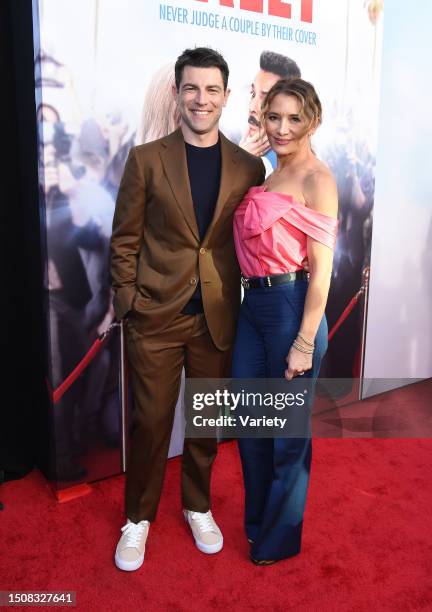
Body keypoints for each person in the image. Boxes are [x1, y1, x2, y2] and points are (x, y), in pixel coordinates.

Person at [110, 47, 265, 571]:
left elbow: (249, 240)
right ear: (178, 94)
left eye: (212, 89)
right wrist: (129, 303)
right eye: (192, 88)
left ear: (225, 95)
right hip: (155, 318)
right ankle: (138, 519)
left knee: (205, 424)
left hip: (217, 319)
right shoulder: (146, 159)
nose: (202, 99)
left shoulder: (250, 167)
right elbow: (124, 241)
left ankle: (198, 504)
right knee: (151, 424)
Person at [232, 78, 338, 564]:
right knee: (251, 425)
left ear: (312, 121)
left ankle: (278, 541)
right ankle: (258, 525)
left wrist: (303, 341)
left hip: (293, 309)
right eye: (274, 116)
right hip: (252, 308)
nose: (282, 127)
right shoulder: (267, 173)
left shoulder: (318, 179)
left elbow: (322, 276)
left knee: (287, 436)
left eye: (294, 118)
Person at [239, 51, 301, 173]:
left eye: (266, 98)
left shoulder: (280, 168)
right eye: (253, 94)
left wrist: (240, 162)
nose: (252, 107)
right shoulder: (243, 148)